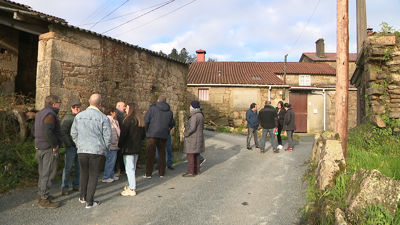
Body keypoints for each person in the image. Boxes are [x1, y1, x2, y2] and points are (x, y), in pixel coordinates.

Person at [71, 94, 112, 209]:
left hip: (82, 150)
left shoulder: (79, 116)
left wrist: (79, 145)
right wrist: (105, 148)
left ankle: (82, 196)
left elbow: (73, 133)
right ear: (100, 103)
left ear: (89, 101)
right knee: (93, 175)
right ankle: (90, 201)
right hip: (97, 150)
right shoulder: (103, 118)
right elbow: (108, 137)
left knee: (84, 173)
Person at [34, 95, 62, 209]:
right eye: (59, 102)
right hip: (48, 148)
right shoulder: (50, 114)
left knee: (42, 173)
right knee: (48, 173)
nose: (60, 104)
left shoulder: (40, 113)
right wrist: (54, 145)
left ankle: (41, 194)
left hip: (40, 147)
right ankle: (44, 200)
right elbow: (47, 131)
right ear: (54, 104)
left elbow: (33, 129)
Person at [143, 95, 175, 179]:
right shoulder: (170, 111)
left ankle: (148, 173)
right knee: (162, 154)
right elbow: (172, 123)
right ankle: (162, 173)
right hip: (164, 135)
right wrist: (168, 129)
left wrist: (147, 131)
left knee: (151, 154)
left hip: (152, 134)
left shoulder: (152, 109)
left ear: (158, 100)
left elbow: (146, 120)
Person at [118, 102, 146, 196]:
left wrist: (120, 144)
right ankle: (130, 185)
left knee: (129, 168)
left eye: (127, 108)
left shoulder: (128, 120)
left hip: (128, 147)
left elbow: (123, 135)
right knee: (132, 168)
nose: (125, 109)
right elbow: (143, 135)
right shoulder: (140, 120)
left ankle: (132, 188)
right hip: (136, 147)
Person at [61, 100, 82, 196]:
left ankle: (76, 185)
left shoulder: (81, 117)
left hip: (80, 146)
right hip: (71, 147)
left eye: (78, 107)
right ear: (71, 108)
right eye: (74, 107)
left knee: (79, 167)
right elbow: (63, 132)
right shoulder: (68, 118)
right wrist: (69, 144)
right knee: (68, 168)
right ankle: (64, 187)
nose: (76, 109)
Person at [182, 101, 205, 177]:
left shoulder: (194, 116)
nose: (189, 107)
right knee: (196, 154)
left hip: (193, 138)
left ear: (193, 107)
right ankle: (197, 170)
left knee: (191, 154)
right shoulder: (200, 115)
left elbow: (192, 128)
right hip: (198, 137)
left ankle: (191, 171)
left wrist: (186, 134)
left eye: (190, 106)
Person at [102, 107, 121, 183]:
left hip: (115, 143)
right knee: (110, 160)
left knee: (113, 160)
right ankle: (106, 176)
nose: (115, 113)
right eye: (114, 112)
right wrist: (112, 141)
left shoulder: (114, 121)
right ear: (111, 112)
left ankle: (111, 174)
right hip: (111, 143)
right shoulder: (108, 120)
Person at [115, 102, 127, 174]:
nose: (125, 108)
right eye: (124, 106)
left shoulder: (121, 114)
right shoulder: (117, 114)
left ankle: (121, 169)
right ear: (118, 106)